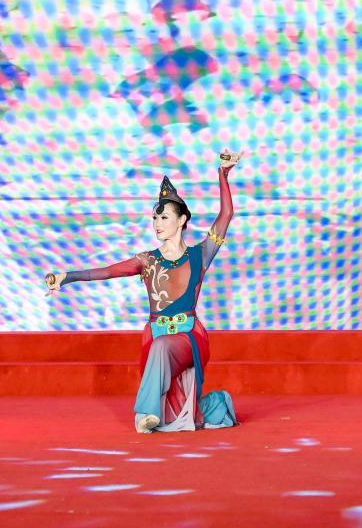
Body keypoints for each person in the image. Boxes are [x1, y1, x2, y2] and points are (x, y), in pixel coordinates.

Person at [46, 151, 242, 433]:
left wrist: (223, 174)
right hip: (158, 334)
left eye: (164, 217)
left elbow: (226, 215)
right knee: (172, 393)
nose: (157, 224)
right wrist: (66, 277)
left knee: (162, 348)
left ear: (182, 220)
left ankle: (144, 414)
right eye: (154, 218)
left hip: (189, 337)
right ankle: (213, 405)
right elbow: (106, 271)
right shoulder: (147, 260)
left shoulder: (200, 255)